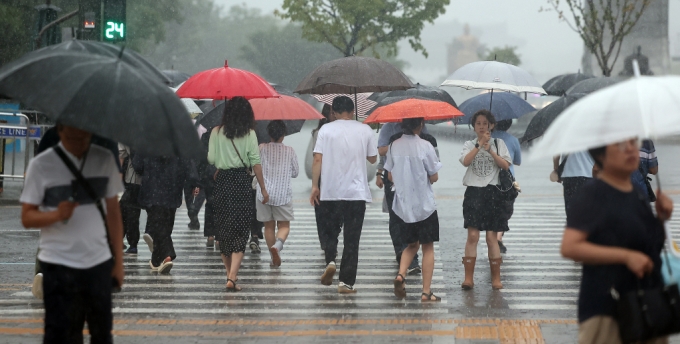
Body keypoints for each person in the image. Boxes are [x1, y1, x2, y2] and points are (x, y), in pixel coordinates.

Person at [561, 138, 672, 344]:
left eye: (633, 142)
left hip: (644, 304)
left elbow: (650, 247)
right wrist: (625, 257)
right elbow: (570, 247)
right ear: (600, 155)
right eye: (621, 145)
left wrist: (661, 219)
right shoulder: (593, 193)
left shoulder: (636, 193)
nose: (631, 149)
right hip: (607, 309)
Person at [20, 124, 124, 343]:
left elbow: (113, 213)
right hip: (58, 265)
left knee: (102, 334)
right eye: (72, 136)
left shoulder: (104, 158)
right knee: (62, 335)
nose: (79, 141)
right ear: (60, 131)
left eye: (84, 136)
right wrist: (56, 215)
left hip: (98, 262)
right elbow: (27, 217)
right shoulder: (42, 165)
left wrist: (119, 263)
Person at [310, 96, 378, 293]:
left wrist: (315, 186)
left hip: (330, 191)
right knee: (352, 238)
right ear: (353, 111)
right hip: (356, 194)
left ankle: (331, 260)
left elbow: (317, 159)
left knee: (330, 231)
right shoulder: (364, 129)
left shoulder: (325, 130)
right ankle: (346, 283)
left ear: (333, 112)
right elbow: (373, 159)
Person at [208, 97, 268, 292]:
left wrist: (223, 158)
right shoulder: (250, 133)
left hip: (223, 182)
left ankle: (229, 275)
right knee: (241, 230)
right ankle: (232, 276)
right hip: (241, 183)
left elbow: (211, 158)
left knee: (224, 231)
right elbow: (255, 162)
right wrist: (263, 188)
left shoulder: (216, 132)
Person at [385, 118, 442, 302]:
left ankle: (401, 275)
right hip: (424, 205)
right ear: (421, 125)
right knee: (427, 247)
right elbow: (434, 177)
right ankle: (426, 292)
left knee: (411, 245)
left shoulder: (393, 145)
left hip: (403, 206)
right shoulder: (426, 146)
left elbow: (390, 175)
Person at [459, 110, 512, 290]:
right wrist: (478, 146)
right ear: (473, 127)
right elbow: (465, 162)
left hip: (493, 193)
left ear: (492, 125)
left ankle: (496, 278)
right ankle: (468, 278)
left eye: (485, 123)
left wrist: (490, 150)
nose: (481, 126)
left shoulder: (499, 143)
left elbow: (505, 165)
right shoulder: (468, 144)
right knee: (472, 236)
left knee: (491, 237)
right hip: (474, 193)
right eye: (478, 123)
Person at [377, 122, 433, 274]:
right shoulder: (388, 127)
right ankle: (401, 250)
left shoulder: (421, 127)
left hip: (414, 179)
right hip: (394, 178)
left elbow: (427, 146)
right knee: (396, 216)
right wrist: (399, 146)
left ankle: (410, 255)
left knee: (411, 216)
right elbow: (381, 150)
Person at [133, 154, 197, 273]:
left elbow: (138, 165)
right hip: (173, 186)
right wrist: (193, 181)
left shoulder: (146, 137)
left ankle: (165, 255)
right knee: (166, 222)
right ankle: (158, 259)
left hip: (152, 185)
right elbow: (187, 161)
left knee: (158, 222)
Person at [256, 120, 299, 267]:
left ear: (269, 133)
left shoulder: (261, 148)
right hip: (283, 194)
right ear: (284, 135)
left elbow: (255, 166)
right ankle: (278, 246)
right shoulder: (290, 150)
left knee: (268, 226)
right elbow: (295, 172)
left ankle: (273, 254)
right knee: (284, 226)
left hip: (264, 193)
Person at [491, 119, 521, 254]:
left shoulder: (487, 138)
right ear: (509, 125)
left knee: (491, 209)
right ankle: (498, 237)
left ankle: (492, 239)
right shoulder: (513, 140)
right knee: (505, 209)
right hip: (507, 180)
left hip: (490, 179)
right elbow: (517, 161)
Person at [312, 104, 335, 252]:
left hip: (323, 174)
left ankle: (326, 240)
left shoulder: (317, 132)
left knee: (322, 210)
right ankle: (328, 240)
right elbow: (317, 157)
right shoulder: (320, 132)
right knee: (328, 209)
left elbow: (316, 157)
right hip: (329, 173)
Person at [119, 144, 144, 255]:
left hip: (131, 178)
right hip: (144, 178)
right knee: (131, 211)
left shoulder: (127, 133)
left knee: (126, 210)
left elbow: (121, 155)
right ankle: (130, 242)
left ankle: (131, 243)